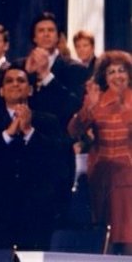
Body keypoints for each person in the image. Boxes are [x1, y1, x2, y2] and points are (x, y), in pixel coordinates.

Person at [0, 67, 65, 250]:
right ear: (1, 90)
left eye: (21, 80)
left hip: (36, 212)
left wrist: (29, 131)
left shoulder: (48, 122)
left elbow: (58, 158)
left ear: (30, 89)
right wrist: (7, 134)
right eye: (9, 81)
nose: (15, 84)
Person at [67, 50, 132, 255]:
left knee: (128, 236)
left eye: (121, 71)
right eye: (111, 72)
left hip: (129, 176)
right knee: (105, 239)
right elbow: (73, 131)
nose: (117, 76)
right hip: (101, 176)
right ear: (104, 76)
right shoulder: (96, 98)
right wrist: (88, 109)